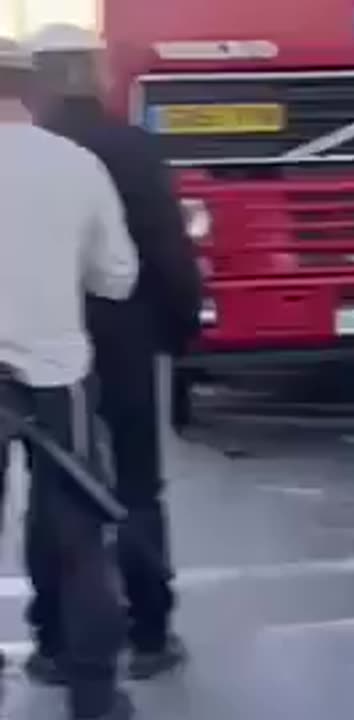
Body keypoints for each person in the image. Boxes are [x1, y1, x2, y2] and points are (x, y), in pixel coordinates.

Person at [20, 23, 203, 685]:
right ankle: (150, 633)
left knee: (54, 493)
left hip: (39, 344)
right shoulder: (130, 147)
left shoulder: (28, 151)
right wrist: (182, 335)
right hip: (123, 338)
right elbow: (167, 250)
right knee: (135, 487)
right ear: (95, 73)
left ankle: (56, 641)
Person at [0, 36, 137, 720]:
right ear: (31, 88)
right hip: (56, 375)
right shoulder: (76, 165)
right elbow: (117, 277)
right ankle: (91, 695)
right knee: (79, 540)